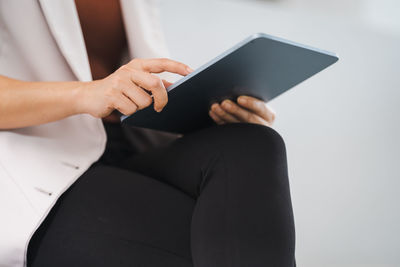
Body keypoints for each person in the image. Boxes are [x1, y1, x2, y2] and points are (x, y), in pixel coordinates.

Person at [0, 1, 295, 266]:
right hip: (35, 164)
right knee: (220, 242)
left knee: (250, 144)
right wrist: (84, 94)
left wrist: (212, 115)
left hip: (126, 144)